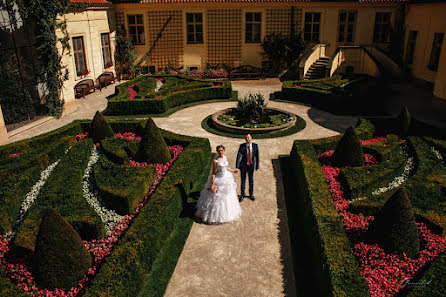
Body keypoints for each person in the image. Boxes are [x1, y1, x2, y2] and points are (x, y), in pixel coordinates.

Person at [196, 145, 241, 224]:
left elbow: (226, 167)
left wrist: (233, 170)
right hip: (219, 178)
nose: (221, 152)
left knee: (228, 195)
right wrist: (212, 183)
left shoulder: (225, 157)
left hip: (226, 177)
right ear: (217, 151)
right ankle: (214, 216)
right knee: (216, 198)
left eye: (222, 150)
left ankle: (228, 213)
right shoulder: (215, 161)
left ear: (224, 150)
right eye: (219, 151)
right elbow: (213, 173)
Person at [236, 134, 259, 202]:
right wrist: (237, 166)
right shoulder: (242, 146)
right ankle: (242, 195)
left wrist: (257, 165)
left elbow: (257, 156)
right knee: (243, 180)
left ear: (251, 138)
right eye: (246, 138)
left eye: (248, 137)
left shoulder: (255, 146)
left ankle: (251, 194)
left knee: (251, 180)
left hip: (251, 166)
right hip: (243, 165)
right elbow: (238, 156)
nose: (247, 139)